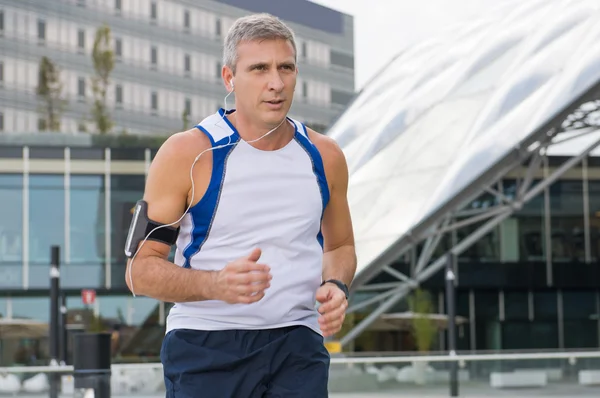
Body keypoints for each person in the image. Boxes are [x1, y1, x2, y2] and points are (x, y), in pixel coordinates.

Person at [124, 12, 356, 398]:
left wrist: (336, 284)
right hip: (205, 344)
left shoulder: (325, 155)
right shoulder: (188, 153)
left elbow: (339, 246)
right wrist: (216, 284)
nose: (276, 83)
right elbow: (138, 272)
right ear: (229, 78)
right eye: (259, 69)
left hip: (297, 346)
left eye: (286, 67)